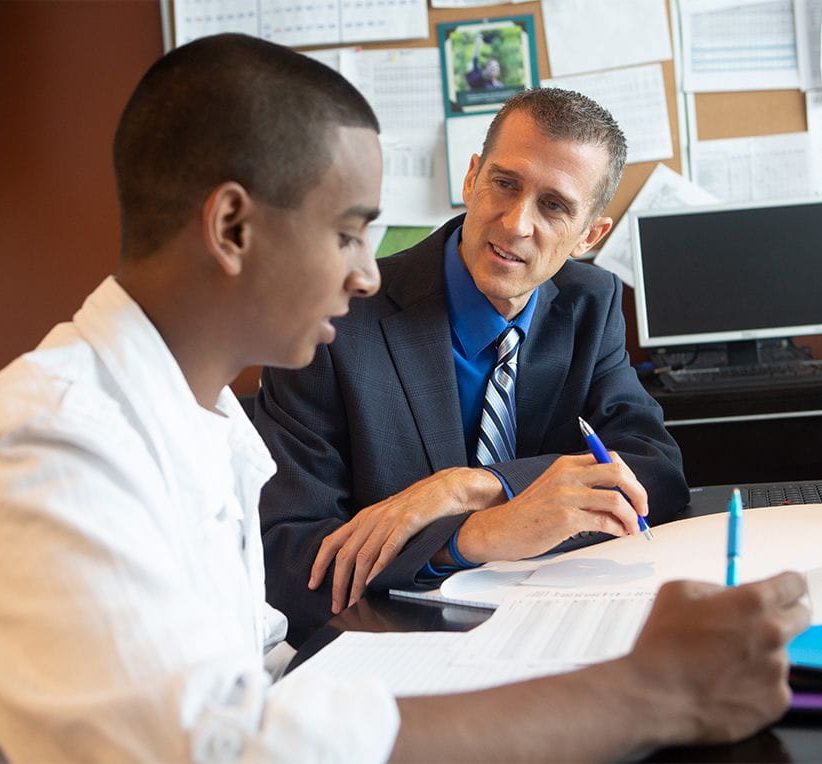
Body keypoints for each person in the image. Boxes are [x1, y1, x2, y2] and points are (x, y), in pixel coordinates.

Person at [0, 33, 810, 763]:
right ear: (232, 227)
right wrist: (643, 692)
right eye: (349, 233)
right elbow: (208, 749)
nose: (368, 275)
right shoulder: (56, 449)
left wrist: (476, 499)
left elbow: (253, 663)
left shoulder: (206, 421)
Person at [254, 86, 689, 640]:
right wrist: (471, 536)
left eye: (554, 206)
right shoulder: (333, 321)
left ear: (589, 235)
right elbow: (285, 559)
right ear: (472, 178)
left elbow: (654, 471)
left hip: (554, 629)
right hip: (399, 645)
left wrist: (471, 487)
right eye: (505, 184)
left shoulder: (590, 304)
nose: (515, 224)